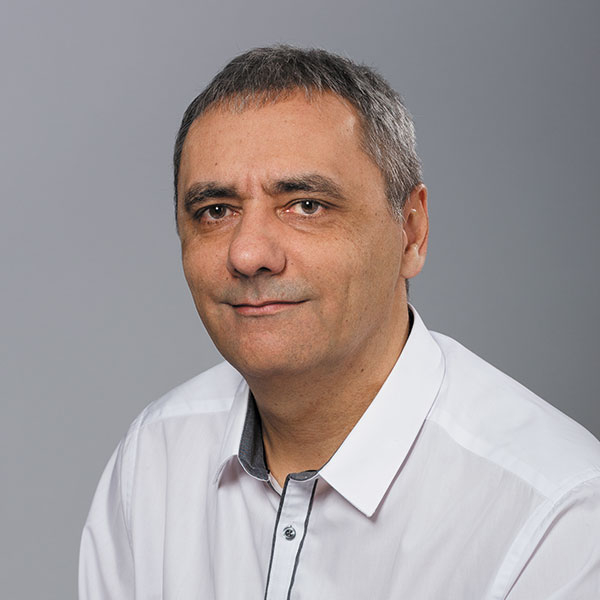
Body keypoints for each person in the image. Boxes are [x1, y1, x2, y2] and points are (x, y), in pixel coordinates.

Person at [79, 46, 600, 599]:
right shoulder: (153, 458)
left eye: (306, 205)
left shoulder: (558, 517)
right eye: (216, 211)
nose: (248, 254)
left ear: (411, 232)